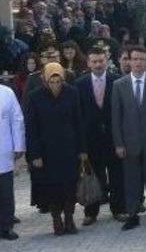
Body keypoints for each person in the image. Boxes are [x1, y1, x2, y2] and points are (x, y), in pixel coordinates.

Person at [26, 63, 87, 235]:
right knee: (52, 188)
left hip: (69, 150)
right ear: (45, 79)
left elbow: (79, 122)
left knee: (69, 186)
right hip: (46, 152)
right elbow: (31, 128)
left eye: (58, 80)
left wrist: (83, 149)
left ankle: (69, 218)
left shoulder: (72, 93)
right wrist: (35, 154)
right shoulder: (34, 96)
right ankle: (56, 219)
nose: (55, 84)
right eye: (51, 80)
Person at [112, 45, 146, 231]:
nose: (137, 62)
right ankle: (133, 214)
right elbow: (116, 117)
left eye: (141, 59)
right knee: (131, 181)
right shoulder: (119, 85)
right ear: (128, 61)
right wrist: (119, 143)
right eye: (134, 59)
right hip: (129, 144)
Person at [75, 47, 126, 225]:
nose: (98, 64)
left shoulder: (118, 81)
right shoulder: (79, 84)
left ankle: (119, 209)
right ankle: (91, 213)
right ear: (88, 63)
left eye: (101, 61)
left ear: (107, 61)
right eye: (94, 61)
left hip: (114, 139)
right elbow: (77, 117)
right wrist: (81, 146)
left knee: (117, 175)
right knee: (92, 177)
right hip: (91, 141)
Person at [0, 83, 25, 241]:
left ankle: (6, 227)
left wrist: (19, 145)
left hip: (3, 150)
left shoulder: (6, 93)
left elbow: (17, 120)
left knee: (5, 193)